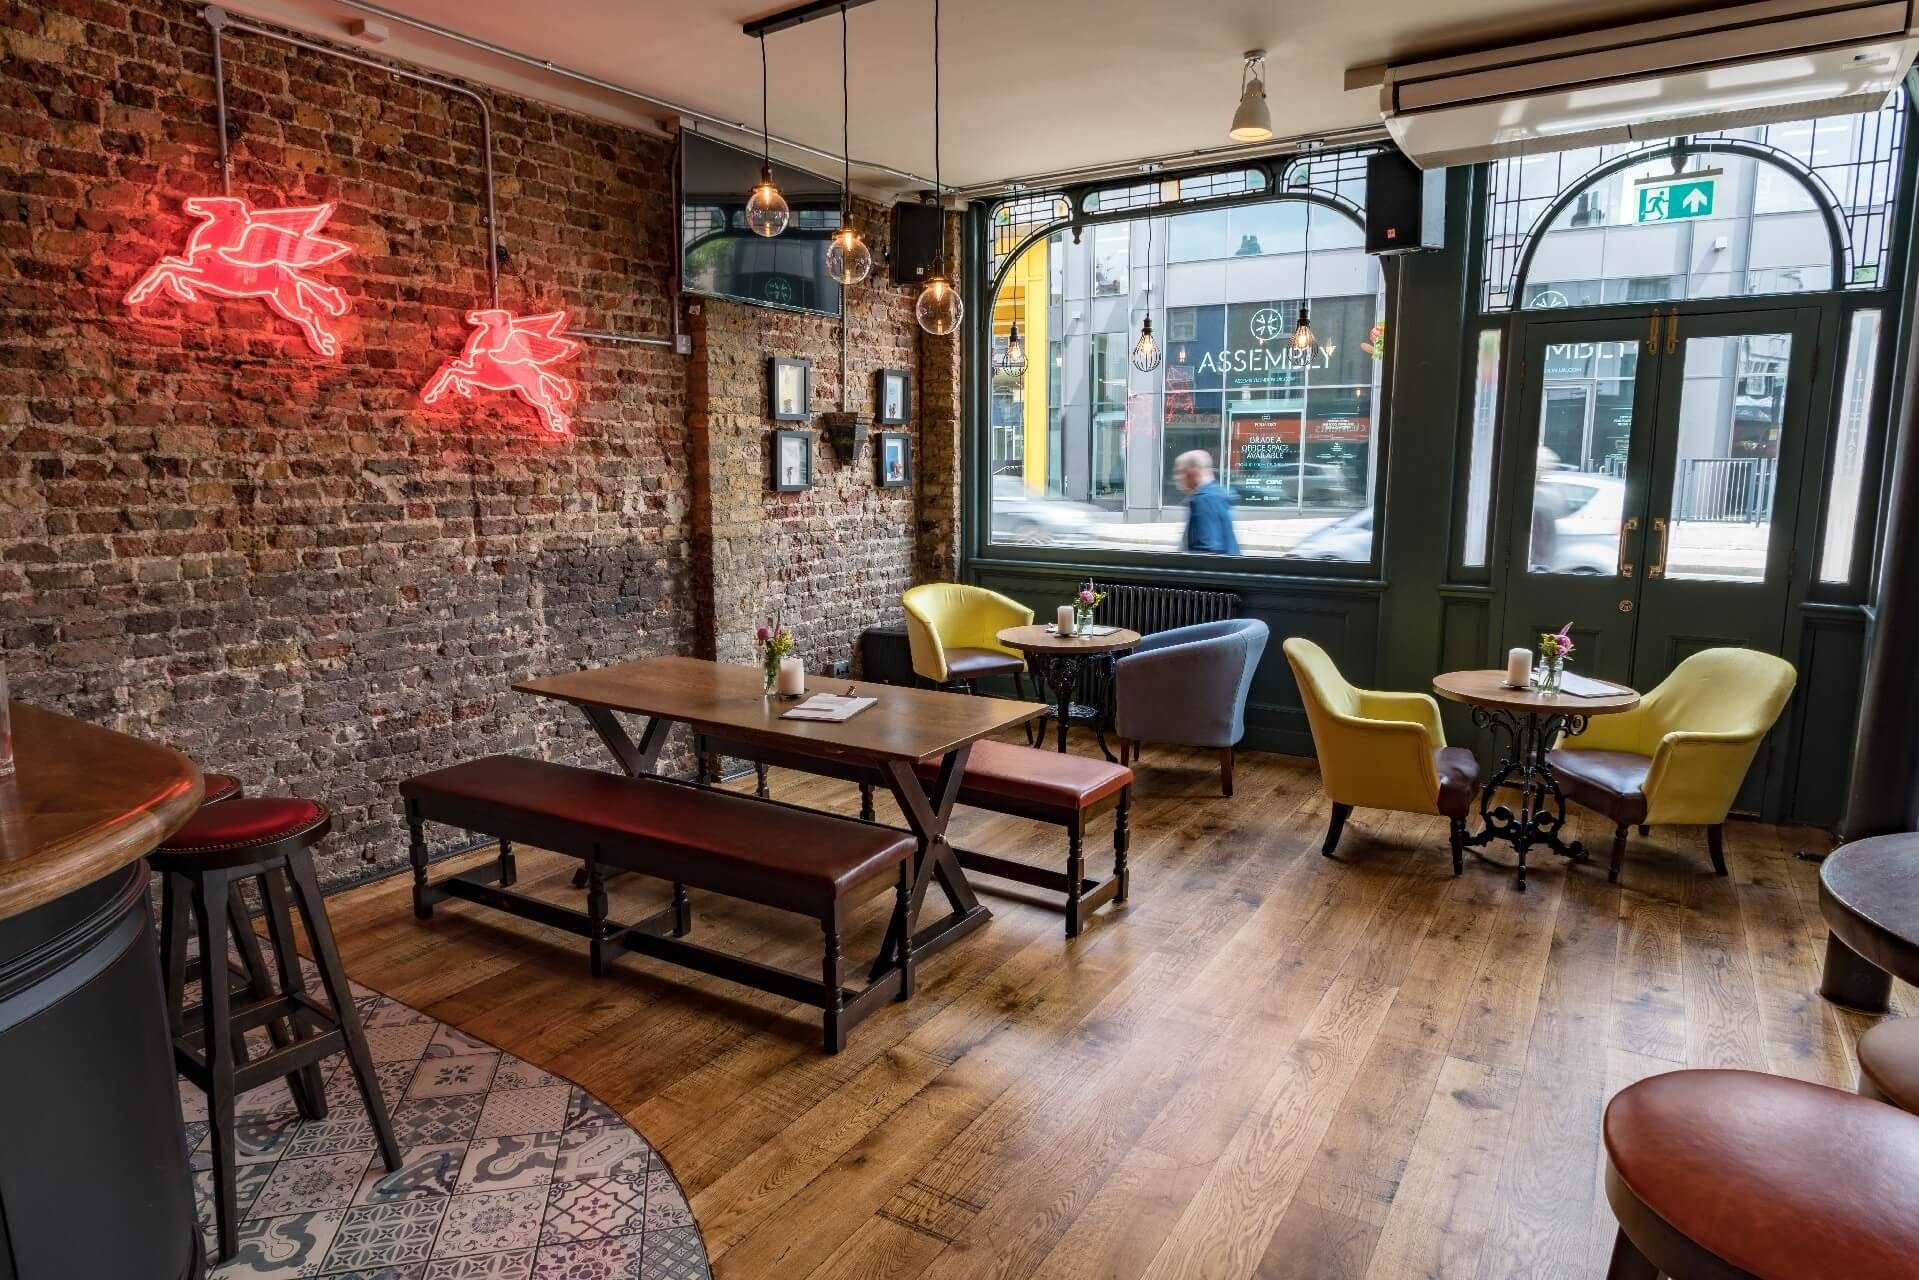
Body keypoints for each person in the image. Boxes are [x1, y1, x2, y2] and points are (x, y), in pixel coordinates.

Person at [1175, 450, 1240, 555]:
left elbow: (1207, 555)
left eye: (1180, 472)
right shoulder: (1216, 495)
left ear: (1191, 472)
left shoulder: (1204, 500)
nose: (1177, 477)